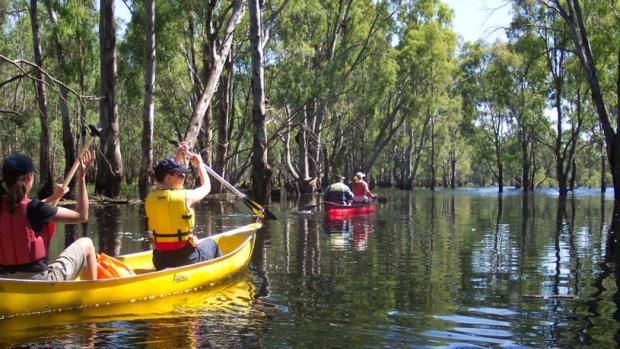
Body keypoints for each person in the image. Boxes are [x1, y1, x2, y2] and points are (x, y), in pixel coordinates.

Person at [0, 151, 98, 280]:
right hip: (39, 281)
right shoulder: (36, 209)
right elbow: (81, 215)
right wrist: (82, 177)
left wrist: (53, 198)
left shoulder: (30, 208)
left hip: (5, 281)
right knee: (87, 243)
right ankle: (91, 296)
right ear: (29, 177)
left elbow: (21, 210)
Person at [145, 143, 220, 270]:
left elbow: (164, 173)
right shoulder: (186, 197)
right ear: (168, 178)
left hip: (159, 260)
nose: (184, 177)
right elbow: (207, 187)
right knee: (212, 244)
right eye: (180, 175)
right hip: (185, 258)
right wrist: (200, 165)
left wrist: (177, 158)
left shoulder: (150, 198)